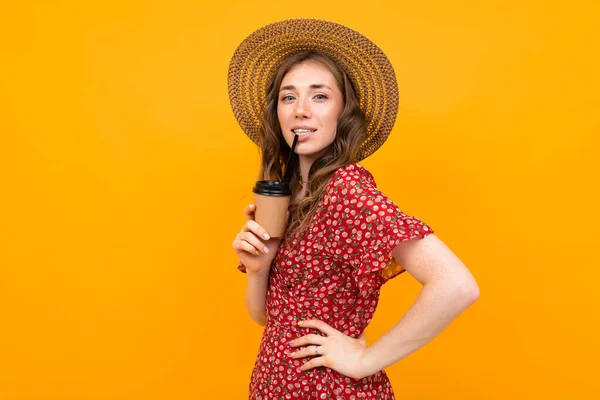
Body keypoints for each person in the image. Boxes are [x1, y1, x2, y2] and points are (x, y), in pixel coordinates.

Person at [229, 18, 479, 399]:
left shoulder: (345, 191)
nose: (301, 110)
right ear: (276, 112)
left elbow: (457, 285)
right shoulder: (291, 193)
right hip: (274, 384)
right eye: (288, 96)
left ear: (343, 112)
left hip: (327, 390)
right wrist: (259, 270)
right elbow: (267, 318)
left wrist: (365, 361)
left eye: (320, 96)